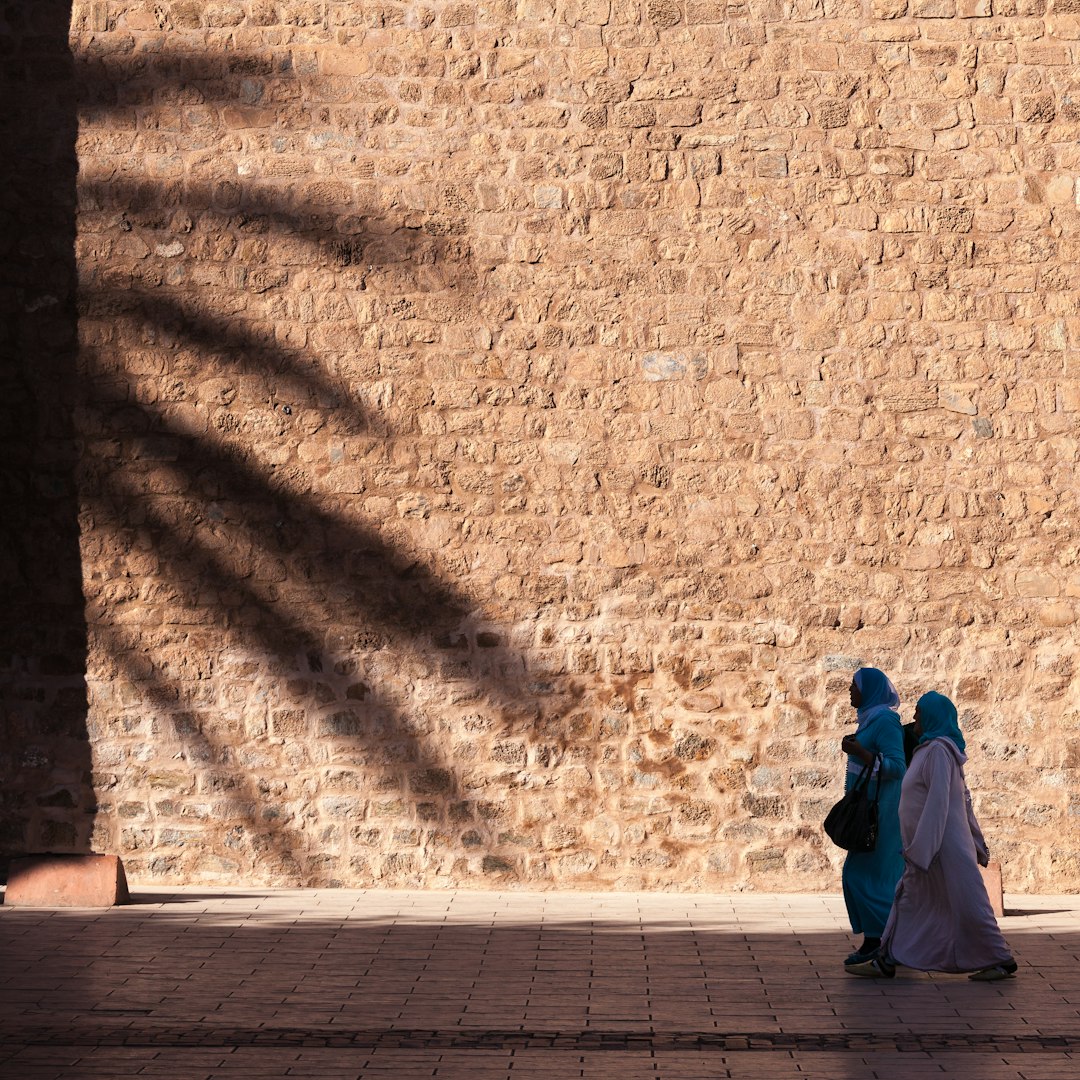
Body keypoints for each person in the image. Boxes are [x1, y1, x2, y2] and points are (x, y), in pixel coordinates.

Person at [848, 691, 1017, 981]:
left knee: (966, 903)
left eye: (920, 714)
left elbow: (940, 802)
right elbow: (961, 800)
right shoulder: (932, 750)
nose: (914, 719)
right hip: (932, 848)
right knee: (915, 901)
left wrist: (922, 850)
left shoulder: (939, 752)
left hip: (938, 849)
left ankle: (999, 958)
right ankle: (887, 958)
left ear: (933, 718)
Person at [839, 667, 906, 968]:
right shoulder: (870, 720)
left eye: (855, 686)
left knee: (864, 876)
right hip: (869, 810)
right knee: (867, 876)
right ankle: (883, 940)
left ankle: (879, 941)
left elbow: (897, 766)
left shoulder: (885, 721)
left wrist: (861, 752)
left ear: (870, 690)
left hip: (883, 813)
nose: (850, 691)